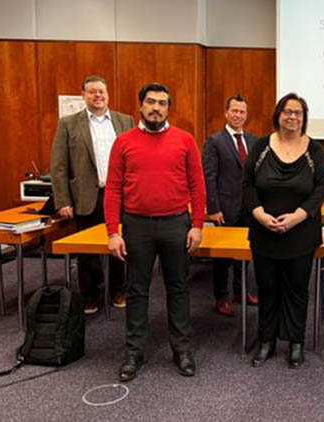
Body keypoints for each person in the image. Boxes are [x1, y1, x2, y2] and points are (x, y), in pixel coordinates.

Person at [105, 83, 206, 382]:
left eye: (162, 103)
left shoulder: (185, 140)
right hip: (136, 225)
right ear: (140, 106)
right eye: (151, 102)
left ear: (168, 109)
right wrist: (113, 232)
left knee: (178, 288)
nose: (156, 108)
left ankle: (182, 350)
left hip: (176, 224)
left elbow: (197, 186)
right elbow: (113, 189)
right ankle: (134, 352)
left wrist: (197, 225)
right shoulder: (123, 142)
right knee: (136, 290)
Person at [244, 93, 324, 369]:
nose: (292, 117)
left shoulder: (314, 150)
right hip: (264, 232)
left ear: (304, 118)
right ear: (278, 115)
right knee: (267, 287)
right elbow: (247, 184)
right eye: (287, 111)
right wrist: (259, 214)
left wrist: (296, 217)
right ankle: (266, 341)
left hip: (301, 234)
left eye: (298, 113)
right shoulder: (261, 147)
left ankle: (295, 342)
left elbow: (321, 189)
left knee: (297, 289)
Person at [50, 75, 133, 314]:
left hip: (120, 196)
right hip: (86, 197)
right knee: (87, 252)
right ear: (83, 95)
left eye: (101, 91)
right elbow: (58, 166)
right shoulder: (68, 124)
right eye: (92, 91)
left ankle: (119, 290)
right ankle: (90, 295)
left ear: (108, 94)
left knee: (121, 245)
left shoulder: (125, 121)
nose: (97, 95)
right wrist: (63, 201)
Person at [202, 94, 258, 317]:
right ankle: (221, 297)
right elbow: (209, 177)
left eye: (242, 112)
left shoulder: (253, 141)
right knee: (223, 258)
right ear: (226, 113)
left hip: (249, 208)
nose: (238, 115)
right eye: (234, 111)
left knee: (244, 253)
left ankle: (240, 291)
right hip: (224, 209)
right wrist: (213, 208)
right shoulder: (214, 141)